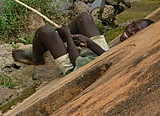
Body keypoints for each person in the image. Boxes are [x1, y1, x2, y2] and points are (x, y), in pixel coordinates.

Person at [13, 12, 154, 75]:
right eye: (132, 27)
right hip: (102, 53)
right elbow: (105, 55)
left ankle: (36, 58)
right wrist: (89, 43)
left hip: (79, 67)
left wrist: (69, 37)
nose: (130, 32)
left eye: (135, 33)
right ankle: (57, 42)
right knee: (84, 18)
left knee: (44, 31)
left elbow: (77, 62)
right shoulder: (129, 45)